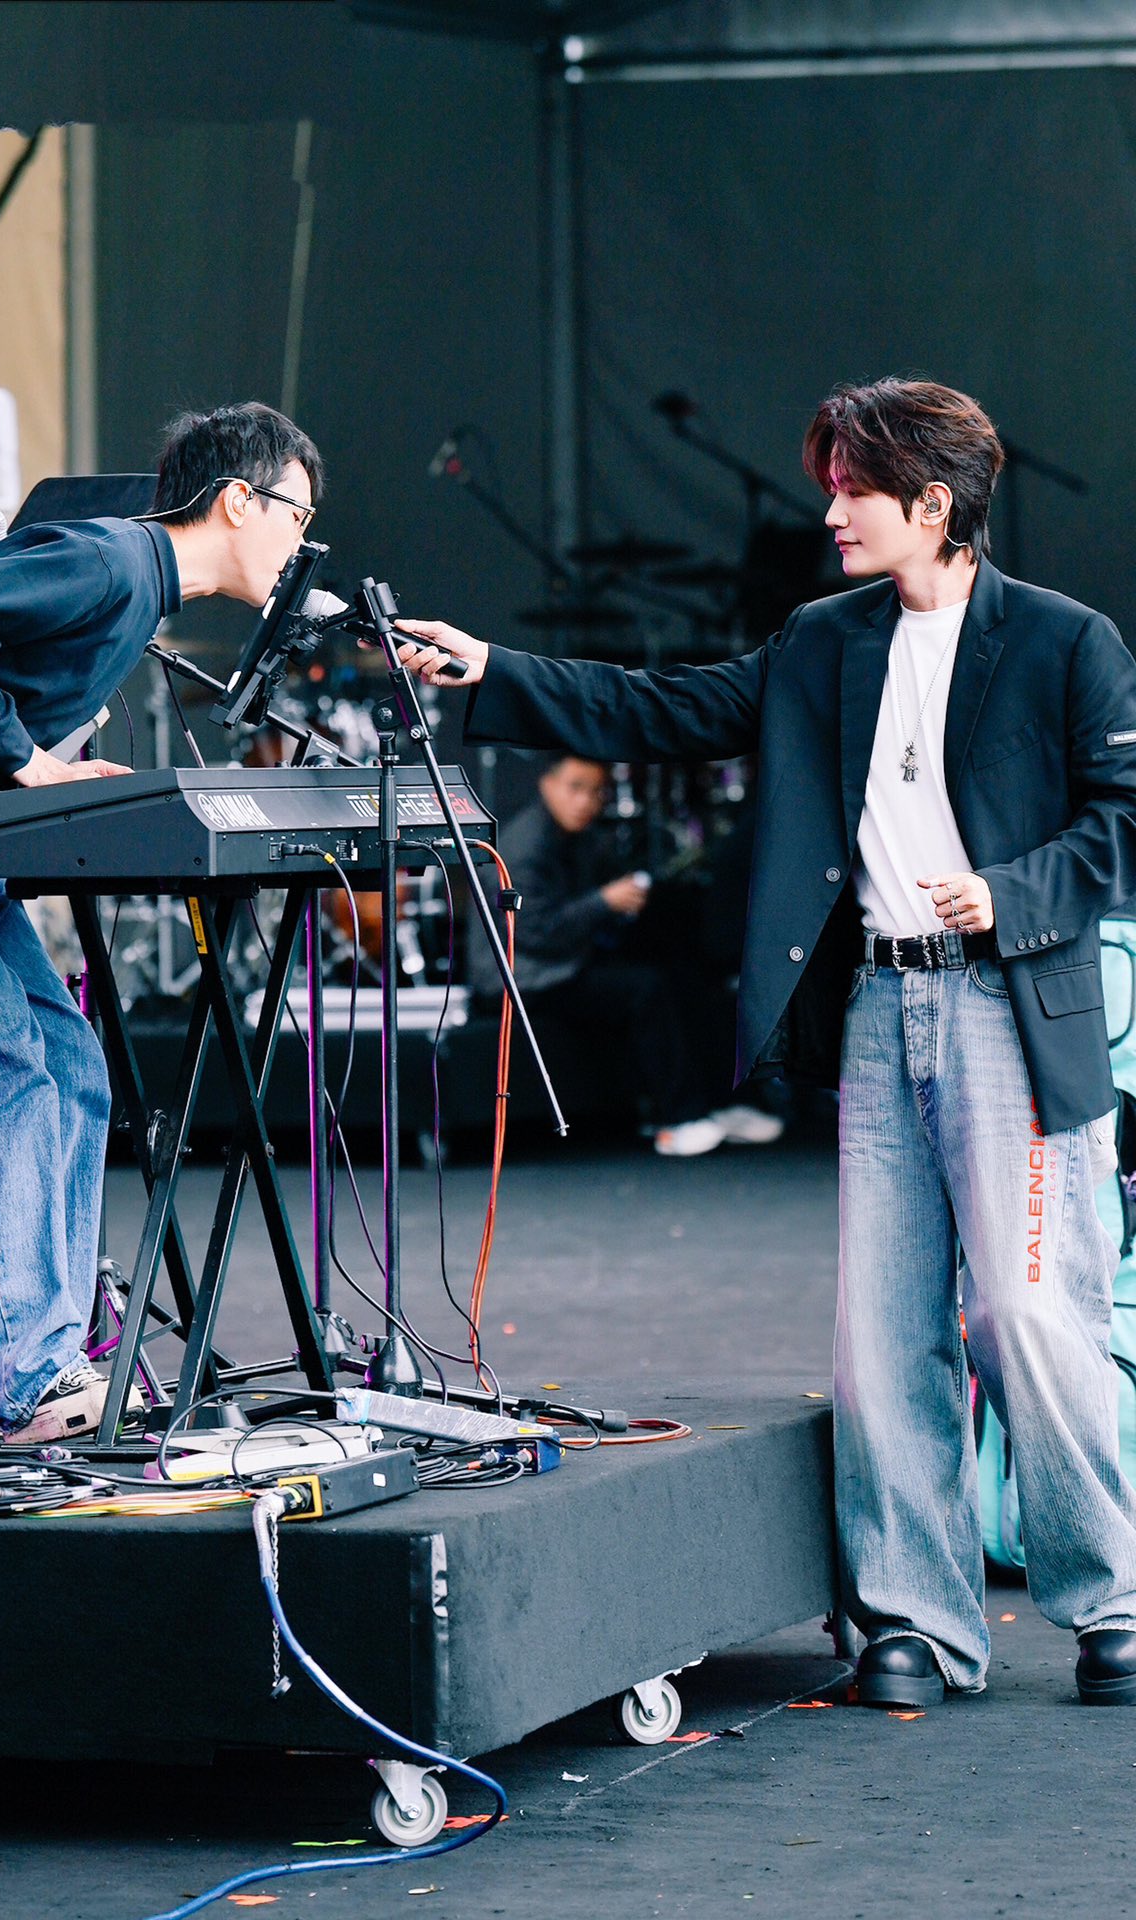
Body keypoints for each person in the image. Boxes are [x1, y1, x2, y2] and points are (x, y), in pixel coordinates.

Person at [393, 376, 1136, 1708]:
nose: (831, 511)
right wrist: (495, 669)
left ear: (933, 503)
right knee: (880, 1339)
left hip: (1008, 1012)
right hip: (878, 1013)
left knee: (1030, 1315)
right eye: (832, 486)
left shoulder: (1065, 643)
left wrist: (1009, 892)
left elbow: (1123, 821)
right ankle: (915, 1622)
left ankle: (1110, 1602)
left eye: (855, 490)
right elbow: (661, 710)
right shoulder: (820, 641)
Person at [0, 402, 323, 1443]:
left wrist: (37, 762)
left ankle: (33, 1357)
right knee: (2, 1079)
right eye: (295, 516)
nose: (300, 545)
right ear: (235, 501)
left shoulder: (136, 581)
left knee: (69, 1070)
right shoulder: (112, 560)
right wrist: (27, 765)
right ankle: (7, 1382)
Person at [471, 752, 781, 1153]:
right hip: (522, 978)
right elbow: (535, 932)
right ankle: (679, 1118)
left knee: (686, 972)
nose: (585, 801)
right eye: (575, 788)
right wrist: (605, 902)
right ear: (548, 784)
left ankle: (725, 1103)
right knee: (645, 989)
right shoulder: (523, 847)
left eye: (596, 791)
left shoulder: (578, 837)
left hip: (563, 963)